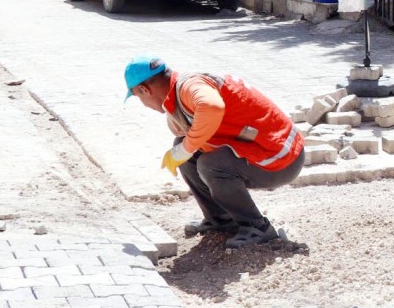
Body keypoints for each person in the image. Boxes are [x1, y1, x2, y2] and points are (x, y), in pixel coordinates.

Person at [124, 56, 304, 249]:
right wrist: (183, 143)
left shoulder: (189, 86)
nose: (143, 103)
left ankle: (257, 227)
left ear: (145, 90)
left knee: (208, 163)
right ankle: (222, 219)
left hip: (282, 158)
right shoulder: (180, 90)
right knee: (185, 151)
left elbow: (211, 107)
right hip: (264, 150)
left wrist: (186, 148)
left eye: (138, 97)